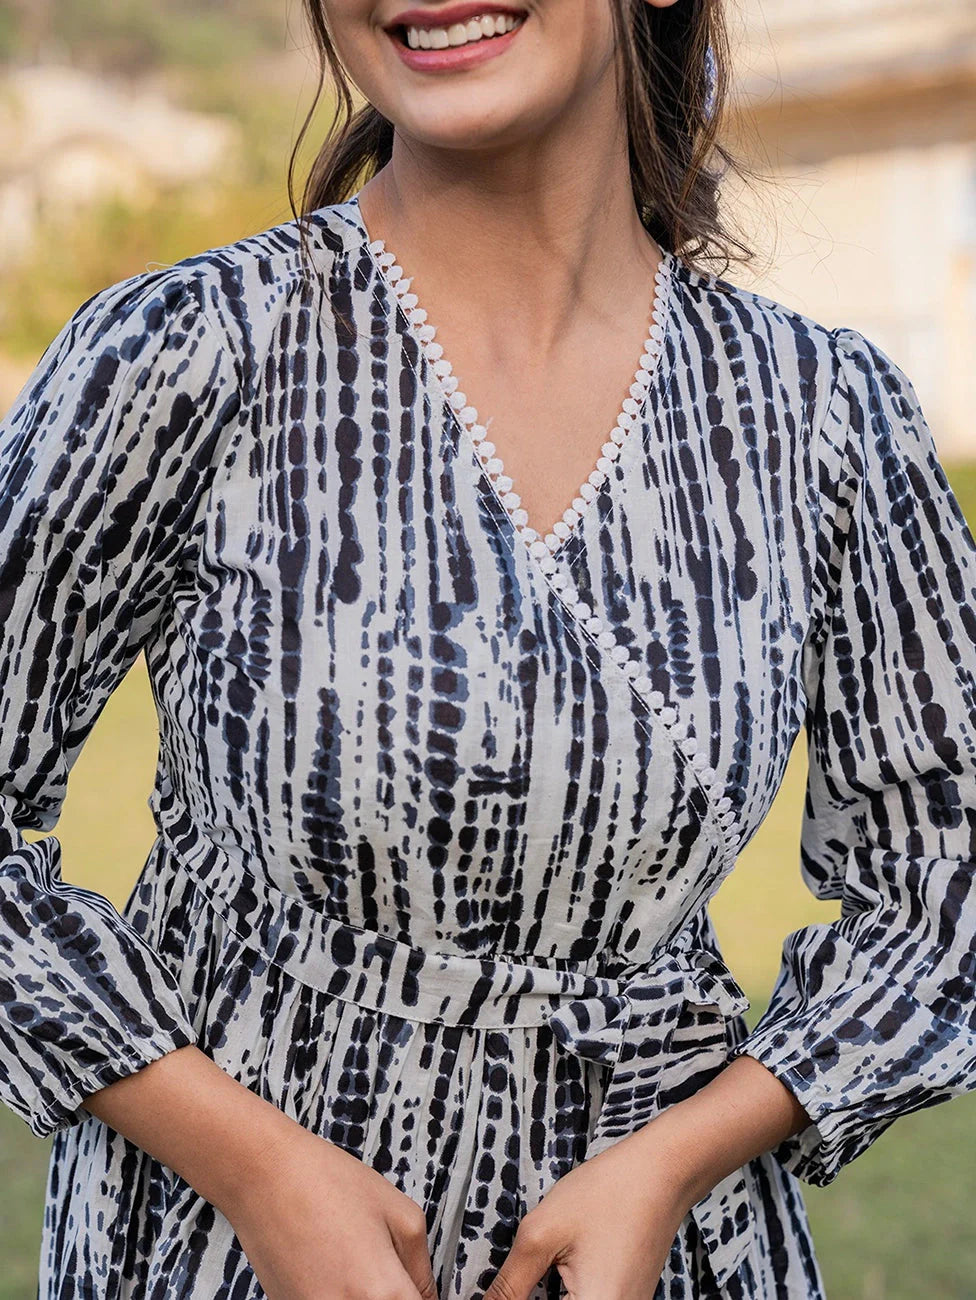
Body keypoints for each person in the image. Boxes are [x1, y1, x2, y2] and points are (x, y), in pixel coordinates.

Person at [2, 0, 975, 1296]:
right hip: (212, 1252)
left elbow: (946, 881)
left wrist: (677, 1160)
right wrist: (255, 1170)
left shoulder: (818, 420)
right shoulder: (187, 356)